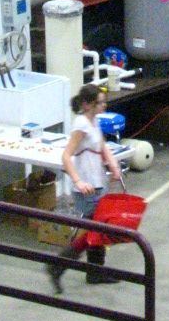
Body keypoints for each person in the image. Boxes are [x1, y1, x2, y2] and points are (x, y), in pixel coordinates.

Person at [50, 84, 123, 294]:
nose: (104, 105)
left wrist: (114, 166)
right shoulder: (81, 125)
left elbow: (102, 146)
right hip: (87, 188)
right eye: (99, 102)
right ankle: (59, 266)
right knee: (96, 229)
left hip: (97, 183)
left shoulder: (94, 122)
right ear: (87, 104)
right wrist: (78, 181)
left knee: (97, 229)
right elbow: (66, 156)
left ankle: (93, 271)